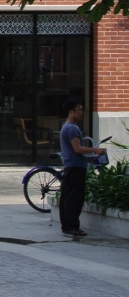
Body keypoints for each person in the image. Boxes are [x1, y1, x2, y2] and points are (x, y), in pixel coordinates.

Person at [58, 99, 105, 238]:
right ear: (71, 112)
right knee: (74, 198)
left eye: (82, 110)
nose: (81, 112)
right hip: (76, 168)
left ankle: (67, 226)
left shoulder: (66, 127)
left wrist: (89, 155)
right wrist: (95, 150)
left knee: (68, 197)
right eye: (79, 110)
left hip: (70, 166)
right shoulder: (72, 128)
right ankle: (72, 227)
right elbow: (77, 148)